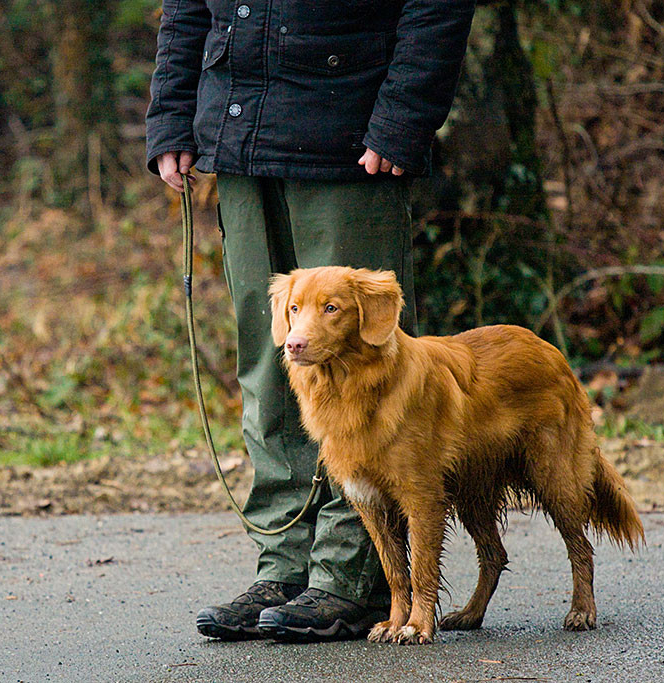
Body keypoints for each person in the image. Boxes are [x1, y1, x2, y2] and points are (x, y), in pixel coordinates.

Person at [146, 1, 475, 642]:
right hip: (238, 140)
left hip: (349, 141)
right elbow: (187, 9)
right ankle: (285, 566)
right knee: (274, 357)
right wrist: (171, 122)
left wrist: (404, 119)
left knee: (366, 363)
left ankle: (349, 577)